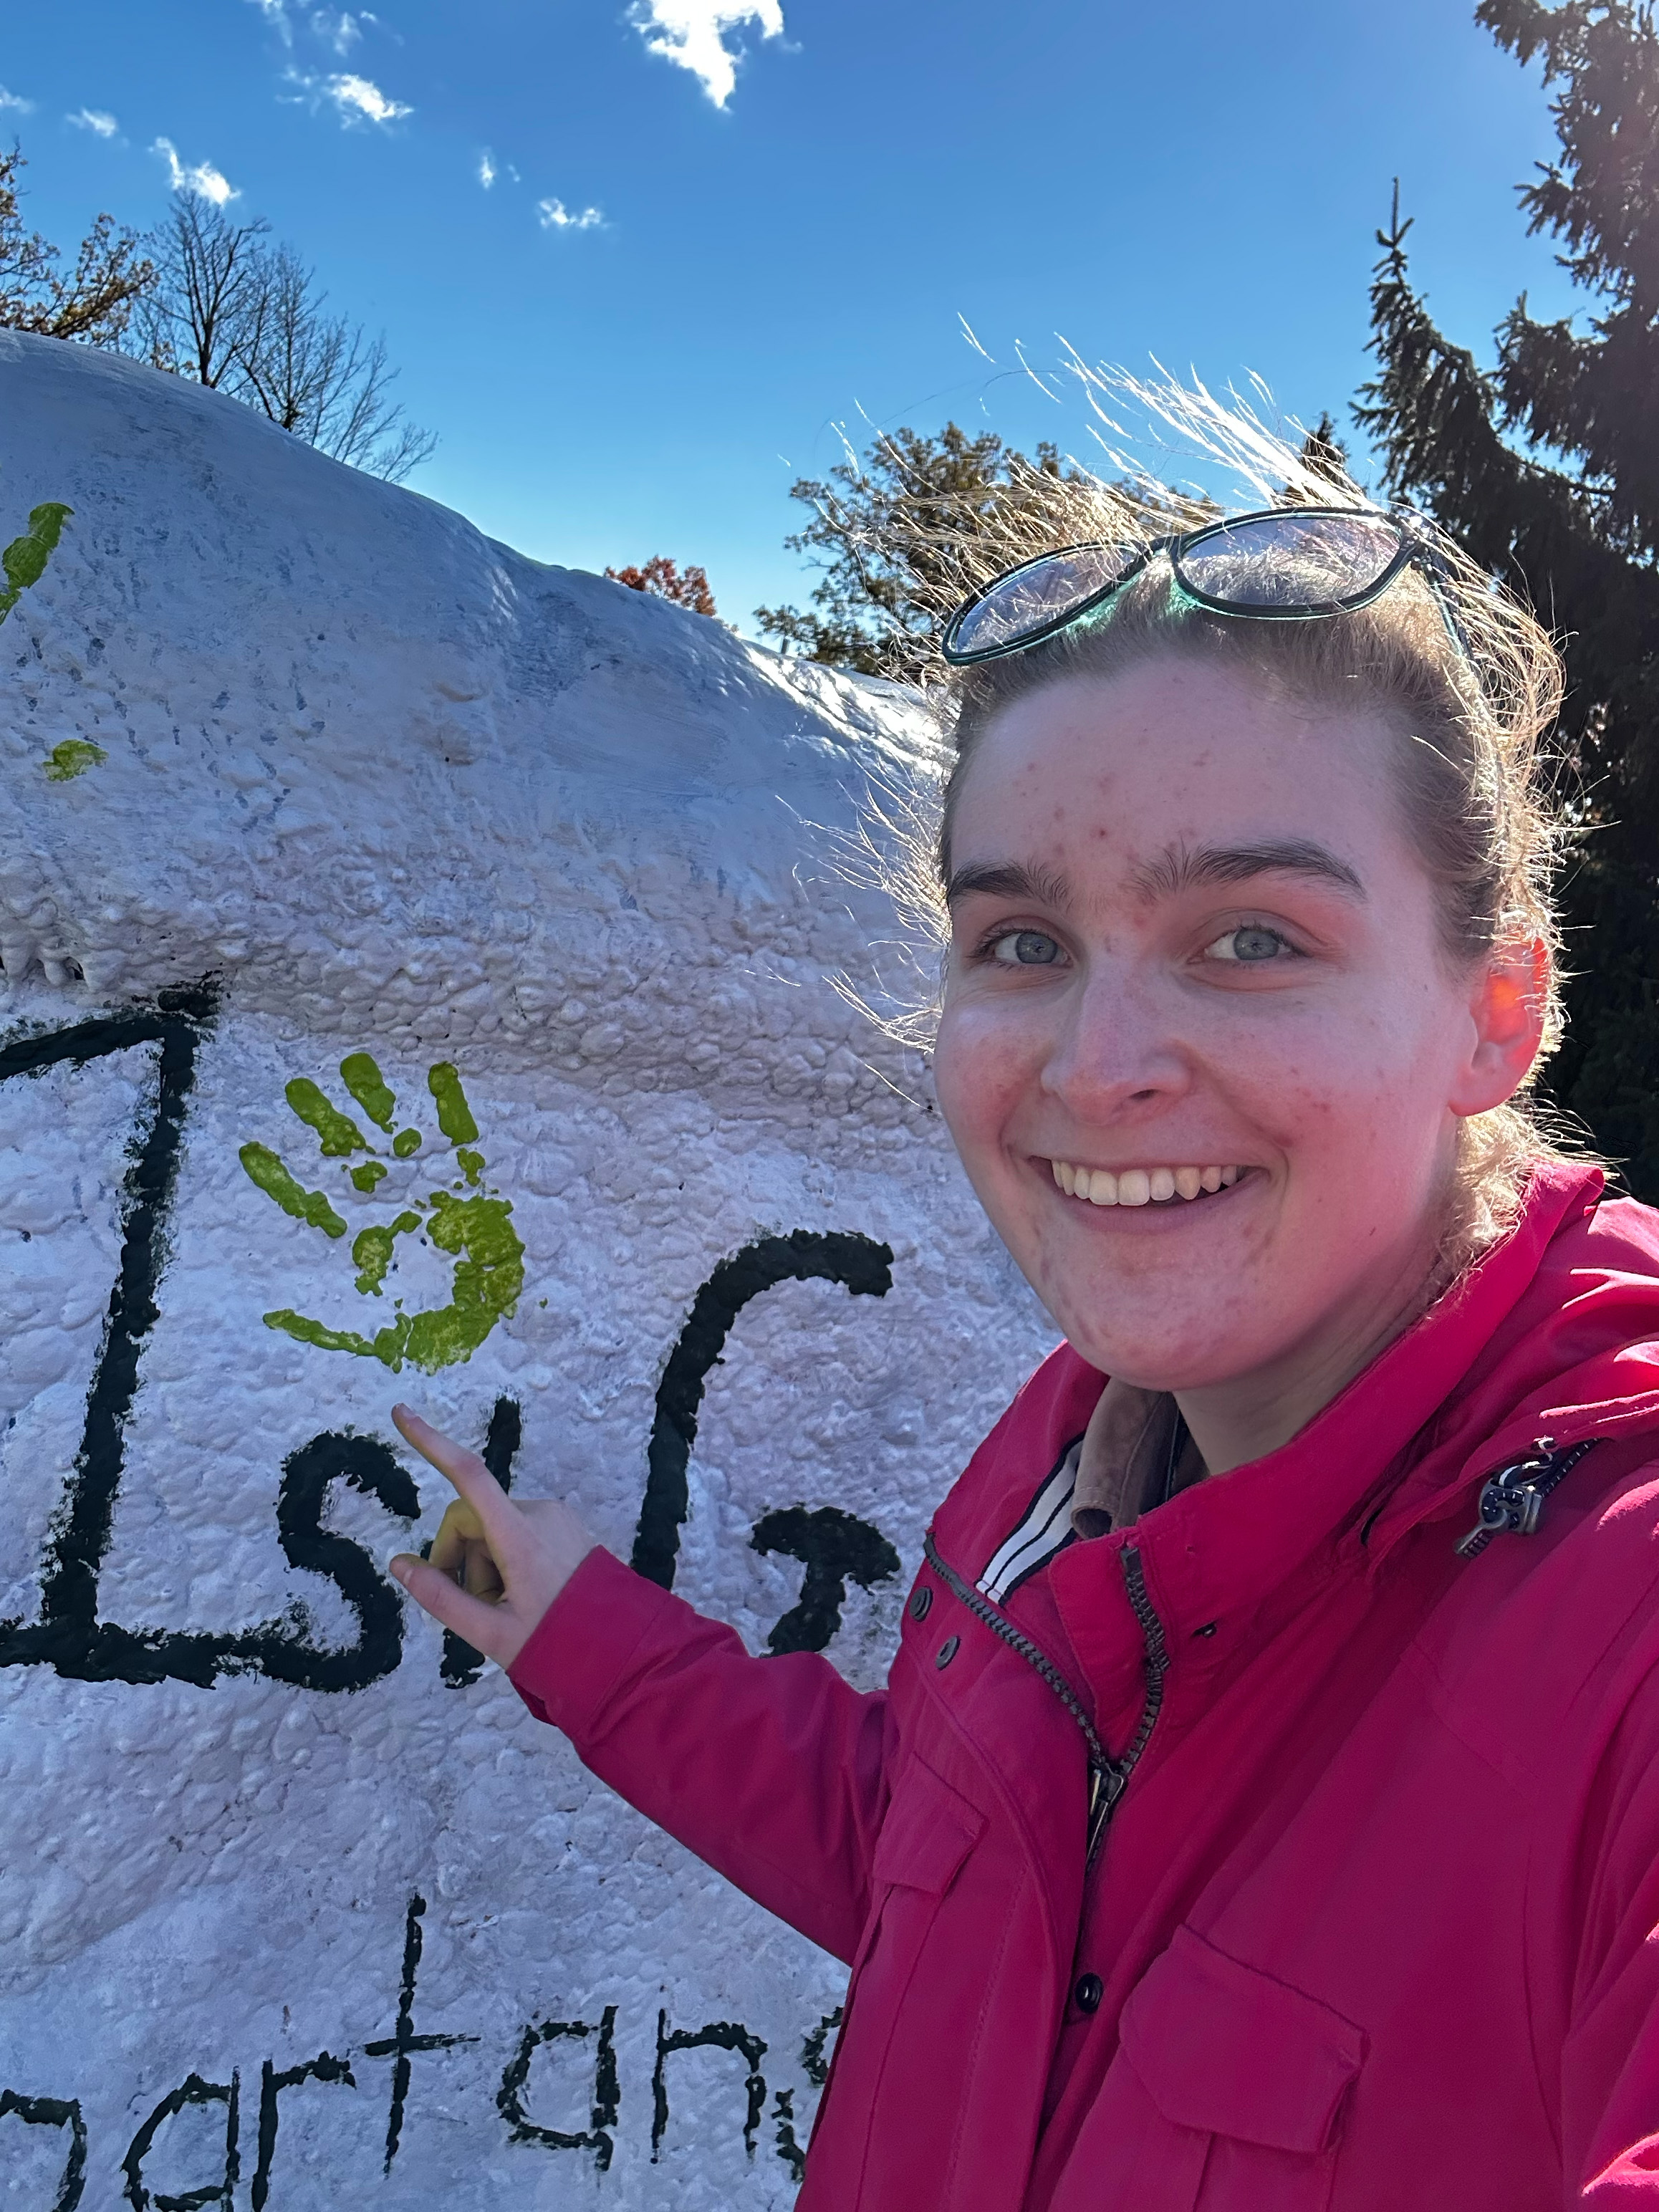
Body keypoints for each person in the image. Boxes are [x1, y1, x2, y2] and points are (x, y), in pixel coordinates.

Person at [386, 389, 1659, 2209]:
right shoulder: (1069, 1457)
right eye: (1025, 943)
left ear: (1497, 1012)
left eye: (1254, 936)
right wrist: (574, 1626)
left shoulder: (1622, 1596)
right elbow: (943, 1849)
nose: (1101, 1059)